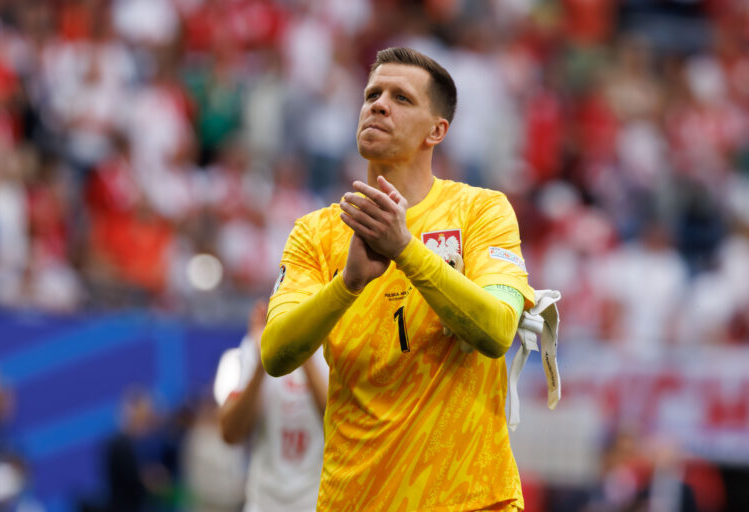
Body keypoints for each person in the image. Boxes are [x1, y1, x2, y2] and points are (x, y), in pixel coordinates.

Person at [262, 47, 536, 511]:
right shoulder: (315, 232)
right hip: (355, 499)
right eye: (372, 93)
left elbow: (497, 330)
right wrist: (346, 284)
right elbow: (275, 353)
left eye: (401, 98)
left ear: (437, 130)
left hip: (470, 499)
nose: (379, 104)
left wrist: (405, 251)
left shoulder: (481, 211)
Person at [214, 300, 328, 512]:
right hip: (263, 503)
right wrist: (262, 362)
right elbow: (229, 433)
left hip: (319, 502)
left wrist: (303, 352)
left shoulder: (335, 338)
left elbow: (341, 426)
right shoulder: (254, 344)